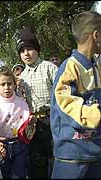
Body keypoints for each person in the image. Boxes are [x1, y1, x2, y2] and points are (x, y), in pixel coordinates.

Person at [50, 11, 101, 179]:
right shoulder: (69, 67)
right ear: (96, 35)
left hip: (99, 149)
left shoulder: (97, 68)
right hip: (73, 156)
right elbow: (67, 105)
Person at [15, 27, 58, 178]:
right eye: (22, 51)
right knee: (37, 162)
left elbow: (62, 93)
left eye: (29, 49)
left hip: (52, 119)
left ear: (37, 50)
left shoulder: (49, 68)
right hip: (33, 124)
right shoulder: (22, 76)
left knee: (54, 158)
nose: (26, 53)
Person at [0, 66, 32, 179]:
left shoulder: (22, 103)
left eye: (9, 84)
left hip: (20, 145)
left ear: (14, 85)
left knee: (18, 175)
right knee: (7, 175)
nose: (7, 87)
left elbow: (28, 121)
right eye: (3, 84)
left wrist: (31, 123)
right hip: (3, 147)